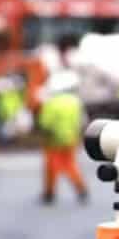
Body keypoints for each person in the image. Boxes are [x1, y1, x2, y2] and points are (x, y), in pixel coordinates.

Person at [37, 70, 88, 204]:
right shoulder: (75, 102)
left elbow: (45, 123)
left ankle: (49, 193)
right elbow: (81, 121)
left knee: (51, 166)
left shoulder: (52, 102)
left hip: (54, 140)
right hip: (71, 138)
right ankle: (81, 188)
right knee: (70, 164)